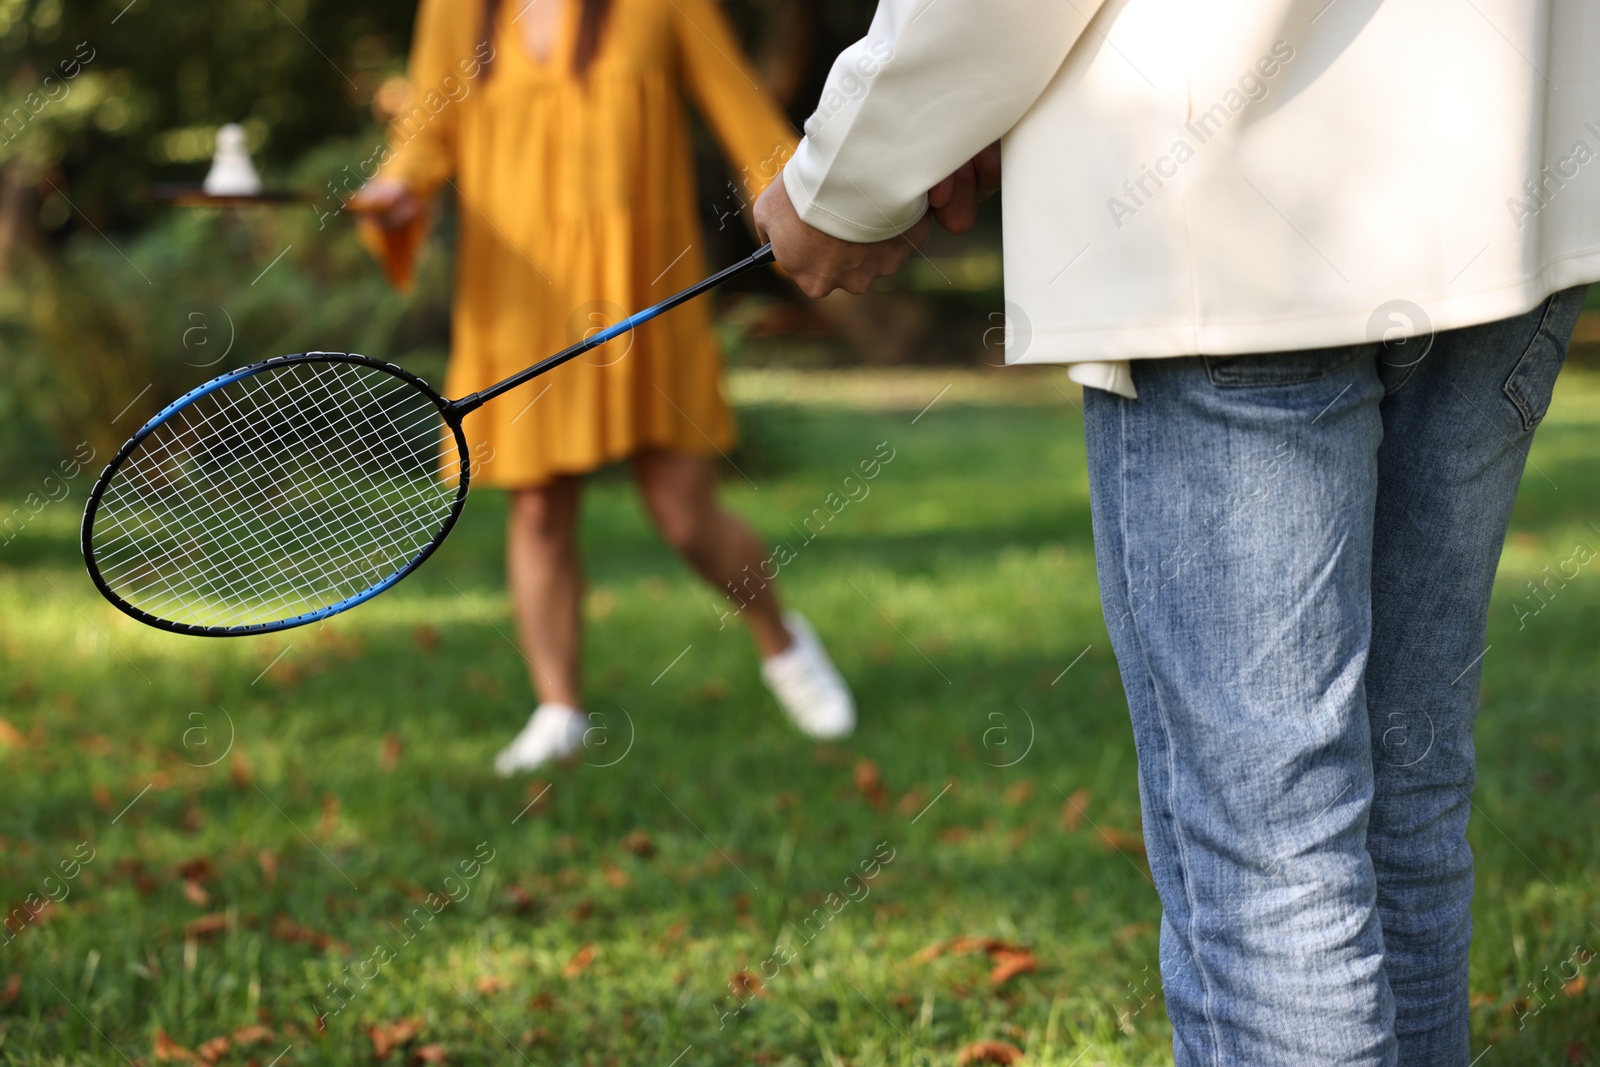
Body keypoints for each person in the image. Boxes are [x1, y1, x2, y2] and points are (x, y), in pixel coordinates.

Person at [753, 2, 1600, 1064]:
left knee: (1274, 854)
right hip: (1509, 178)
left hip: (1229, 221)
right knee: (1404, 804)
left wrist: (843, 176)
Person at [353, 0, 856, 775]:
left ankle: (782, 642)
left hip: (643, 288)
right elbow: (425, 132)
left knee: (684, 512)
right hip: (519, 295)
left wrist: (812, 212)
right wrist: (397, 191)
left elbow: (743, 112)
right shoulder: (457, 9)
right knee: (538, 505)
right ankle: (558, 709)